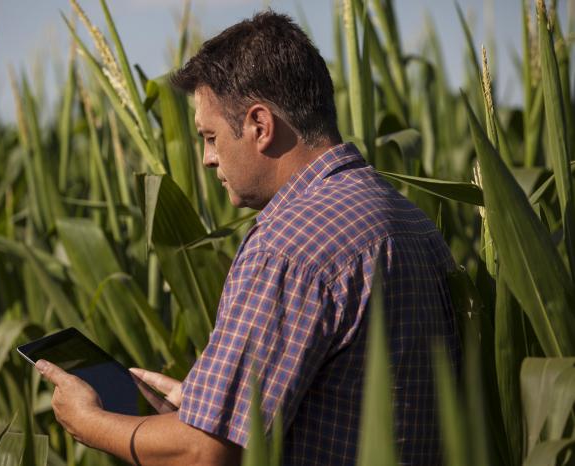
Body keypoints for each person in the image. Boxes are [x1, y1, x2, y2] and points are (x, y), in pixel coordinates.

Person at [36, 11, 460, 466]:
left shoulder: (288, 245)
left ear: (260, 125)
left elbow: (206, 455)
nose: (206, 159)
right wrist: (216, 407)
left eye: (211, 137)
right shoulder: (411, 220)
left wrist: (90, 421)